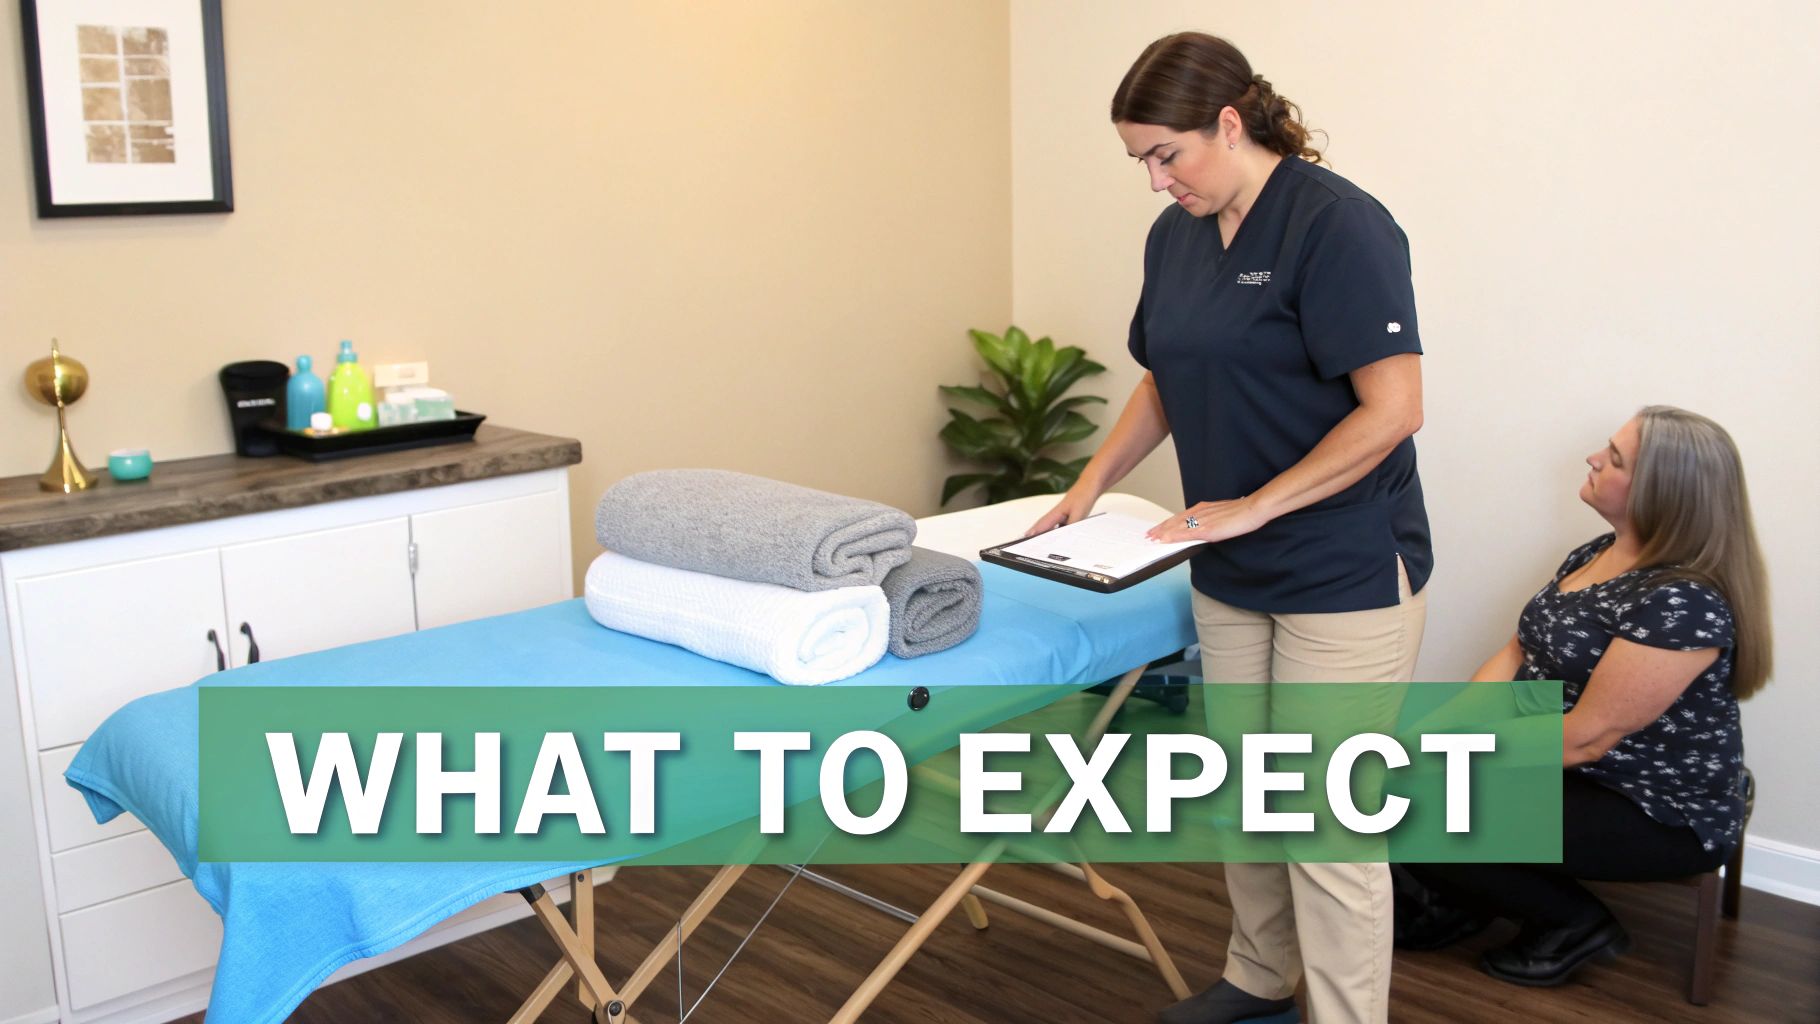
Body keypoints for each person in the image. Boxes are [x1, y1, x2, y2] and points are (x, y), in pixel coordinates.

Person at [1029, 32, 1431, 1024]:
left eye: (1166, 154)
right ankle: (1258, 979)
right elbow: (1165, 375)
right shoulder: (1175, 236)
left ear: (1227, 121)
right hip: (1225, 560)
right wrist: (1086, 484)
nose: (1156, 180)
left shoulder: (1336, 224)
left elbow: (1393, 410)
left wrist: (1253, 504)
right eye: (1139, 163)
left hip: (1340, 562)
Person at [1397, 406, 1770, 987]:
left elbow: (1587, 736)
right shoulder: (1599, 551)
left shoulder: (1683, 601)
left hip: (1655, 808)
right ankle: (1463, 900)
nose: (1594, 457)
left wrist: (1450, 757)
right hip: (1576, 767)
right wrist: (1432, 735)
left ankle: (1575, 922)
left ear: (1660, 493)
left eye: (1615, 458)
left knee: (1416, 806)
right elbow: (1515, 653)